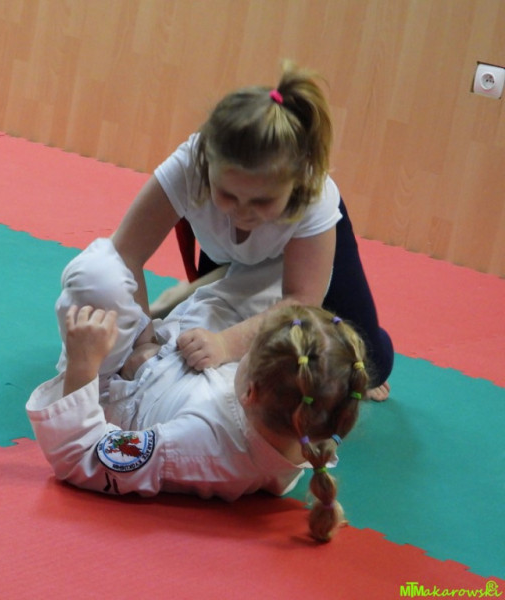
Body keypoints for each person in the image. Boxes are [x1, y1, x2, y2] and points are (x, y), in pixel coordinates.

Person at [26, 239, 370, 542]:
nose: (242, 350)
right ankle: (173, 304)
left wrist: (83, 364)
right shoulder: (307, 425)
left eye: (248, 353)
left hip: (118, 373)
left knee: (97, 271)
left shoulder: (194, 442)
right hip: (184, 356)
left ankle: (162, 308)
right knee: (287, 260)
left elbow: (81, 455)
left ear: (249, 392)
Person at [110, 61, 393, 400]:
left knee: (370, 366)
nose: (243, 212)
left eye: (262, 201)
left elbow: (301, 301)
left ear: (293, 186)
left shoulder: (314, 194)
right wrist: (143, 342)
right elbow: (124, 254)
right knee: (197, 344)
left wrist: (226, 344)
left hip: (301, 249)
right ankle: (190, 292)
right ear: (207, 167)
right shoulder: (189, 166)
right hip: (225, 252)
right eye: (228, 196)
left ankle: (201, 288)